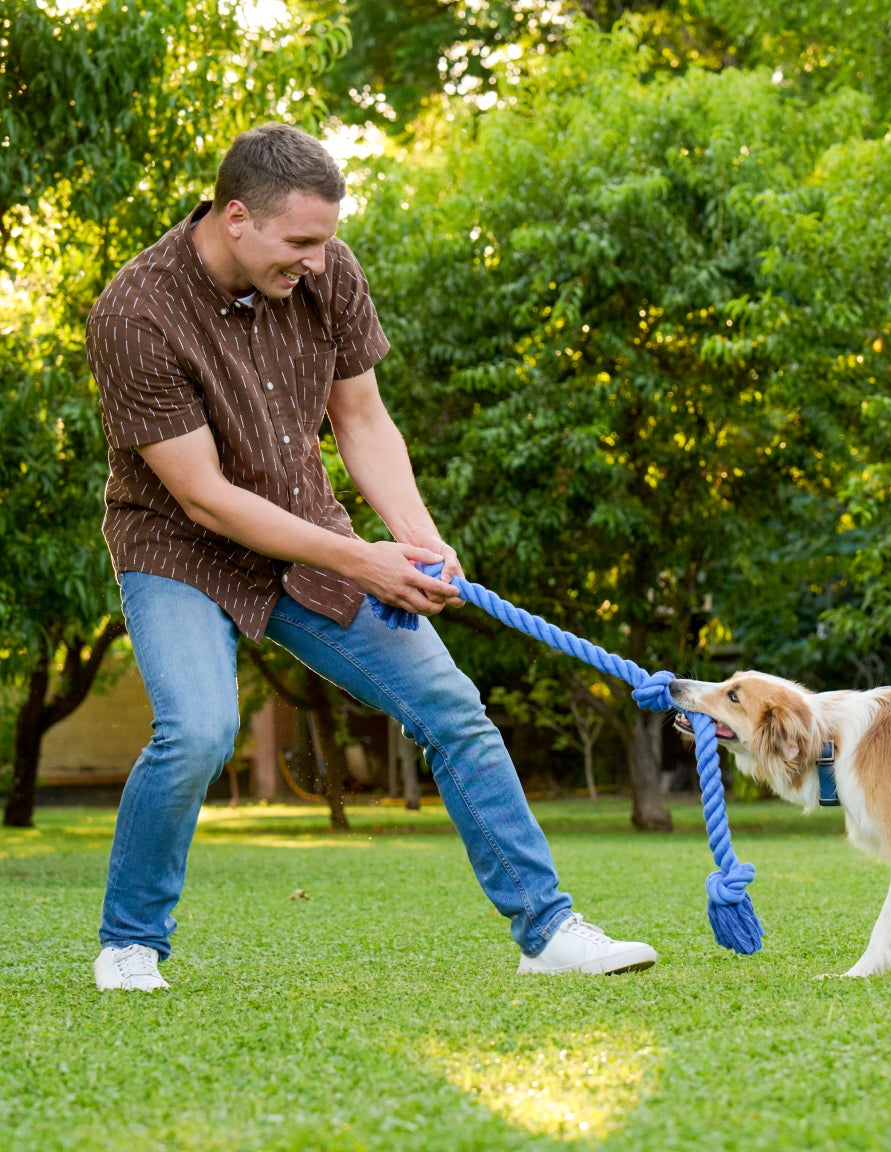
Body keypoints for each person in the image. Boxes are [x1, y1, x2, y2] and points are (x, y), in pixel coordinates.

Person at [85, 122, 656, 991]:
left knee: (453, 708)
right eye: (301, 242)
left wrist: (416, 540)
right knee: (199, 730)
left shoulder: (329, 272)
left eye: (326, 239)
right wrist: (362, 561)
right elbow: (203, 495)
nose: (319, 261)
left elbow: (361, 420)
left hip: (305, 533)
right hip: (179, 549)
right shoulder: (134, 314)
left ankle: (548, 933)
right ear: (236, 217)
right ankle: (130, 941)